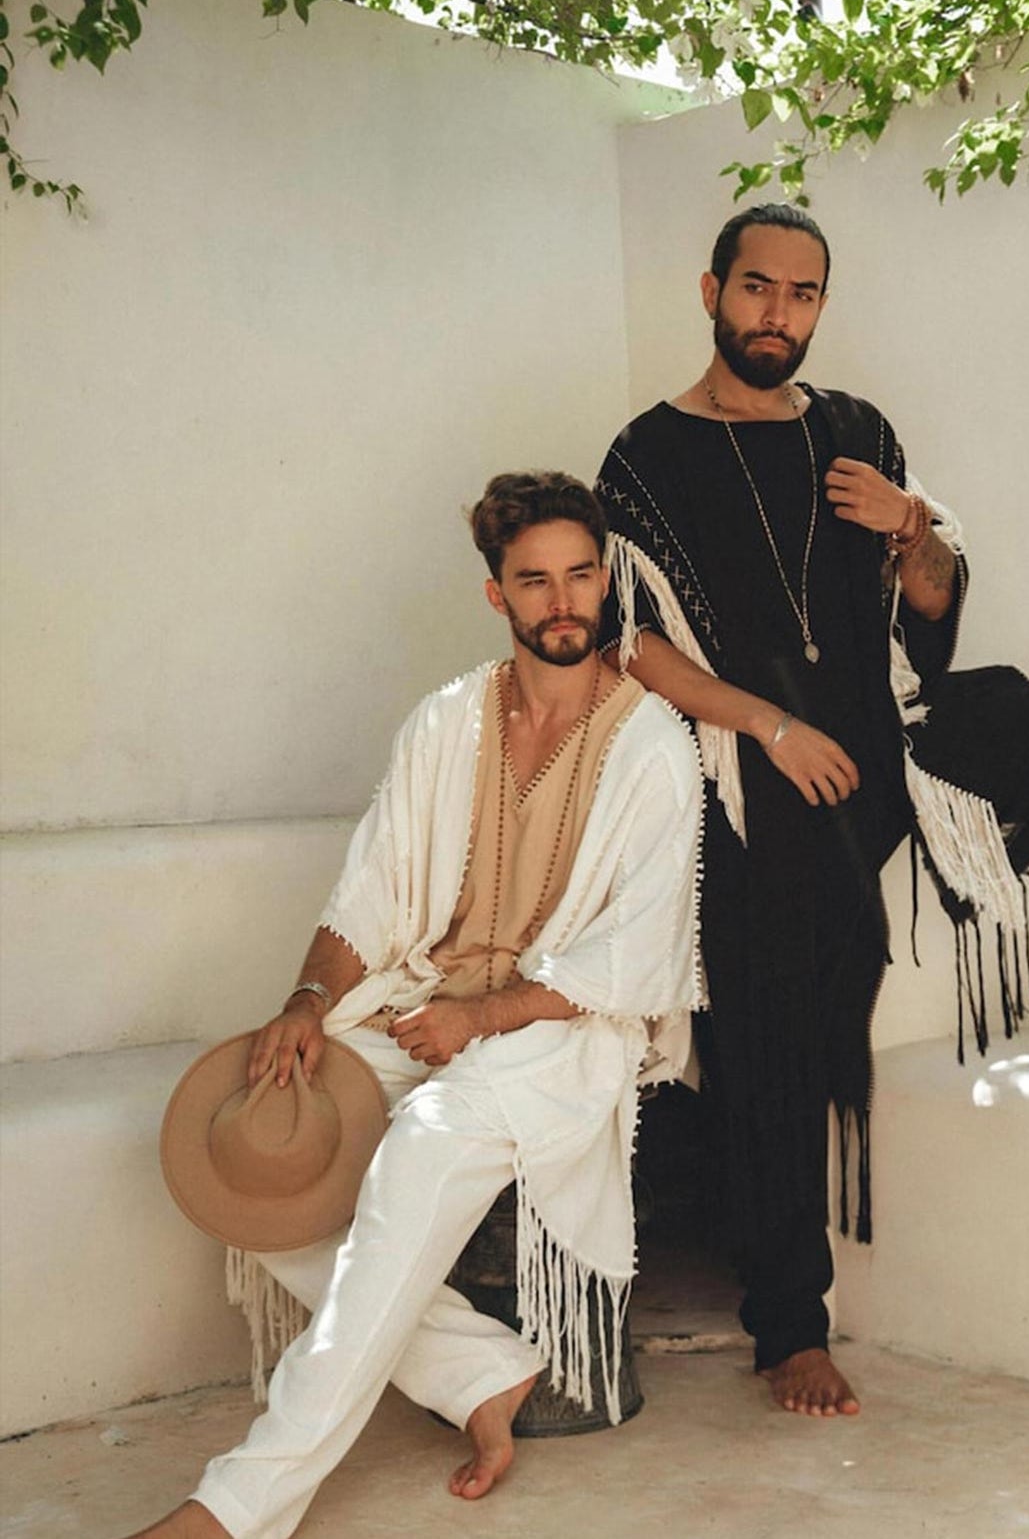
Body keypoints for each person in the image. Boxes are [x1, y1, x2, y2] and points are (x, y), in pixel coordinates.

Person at [594, 204, 1029, 1422]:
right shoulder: (644, 457)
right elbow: (638, 648)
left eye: (804, 294)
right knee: (781, 952)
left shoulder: (855, 429)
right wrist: (771, 729)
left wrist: (913, 525)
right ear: (711, 290)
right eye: (758, 289)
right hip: (757, 757)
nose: (778, 313)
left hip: (896, 727)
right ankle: (789, 1323)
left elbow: (933, 601)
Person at [129, 471, 703, 1538]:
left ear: (605, 577)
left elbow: (640, 957)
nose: (564, 599)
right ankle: (481, 1372)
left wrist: (480, 1023)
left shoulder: (654, 748)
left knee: (426, 1145)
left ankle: (236, 1505)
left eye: (582, 572)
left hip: (558, 1031)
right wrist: (308, 1000)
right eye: (536, 580)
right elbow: (373, 891)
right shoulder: (448, 720)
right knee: (263, 1149)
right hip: (425, 998)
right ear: (499, 596)